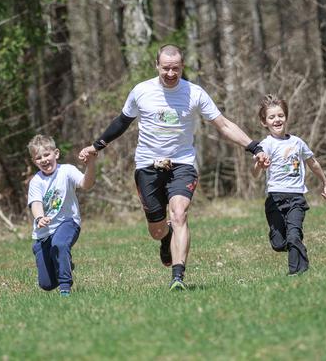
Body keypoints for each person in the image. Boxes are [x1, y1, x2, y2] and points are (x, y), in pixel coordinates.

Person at [78, 44, 269, 291]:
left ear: (182, 67)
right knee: (156, 230)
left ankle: (178, 276)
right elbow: (122, 122)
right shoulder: (141, 91)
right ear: (157, 66)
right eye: (166, 68)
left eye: (175, 68)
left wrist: (254, 146)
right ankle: (165, 237)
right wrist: (97, 146)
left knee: (179, 214)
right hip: (147, 166)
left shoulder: (194, 93)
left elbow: (222, 124)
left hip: (182, 163)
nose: (170, 73)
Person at [251, 94, 326, 276]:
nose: (277, 120)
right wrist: (259, 164)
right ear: (264, 122)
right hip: (275, 199)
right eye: (271, 117)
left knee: (294, 235)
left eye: (280, 115)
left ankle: (297, 271)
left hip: (296, 197)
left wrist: (325, 183)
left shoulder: (297, 143)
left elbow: (313, 163)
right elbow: (255, 174)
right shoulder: (266, 145)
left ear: (286, 117)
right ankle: (291, 249)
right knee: (279, 243)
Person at [27, 134, 97, 296]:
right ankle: (64, 262)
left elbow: (86, 184)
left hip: (68, 222)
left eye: (46, 155)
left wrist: (91, 165)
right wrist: (39, 217)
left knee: (59, 244)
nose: (44, 160)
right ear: (34, 161)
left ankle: (65, 288)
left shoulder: (67, 171)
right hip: (43, 233)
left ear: (56, 153)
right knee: (47, 284)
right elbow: (36, 204)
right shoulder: (36, 181)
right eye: (38, 158)